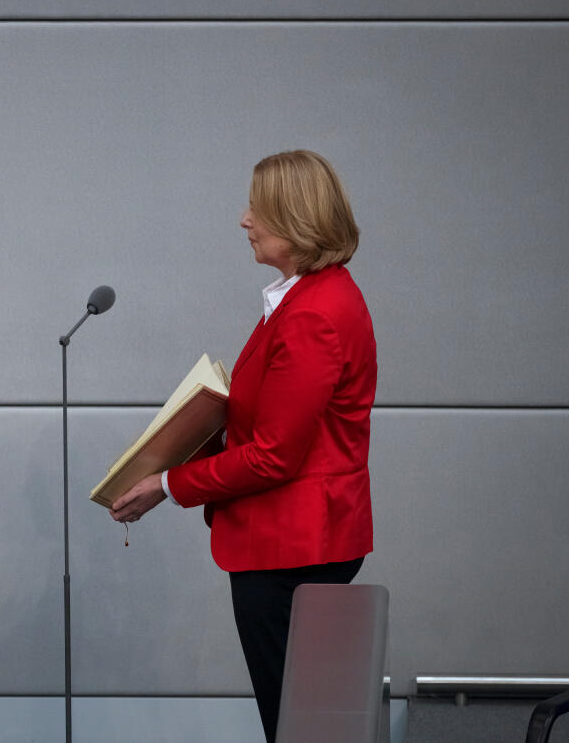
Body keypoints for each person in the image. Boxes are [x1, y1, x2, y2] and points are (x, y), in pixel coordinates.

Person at [110, 150, 377, 743]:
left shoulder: (313, 313)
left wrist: (167, 483)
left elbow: (275, 455)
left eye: (256, 207)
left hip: (293, 548)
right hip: (300, 540)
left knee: (297, 725)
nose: (244, 220)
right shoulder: (307, 297)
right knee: (302, 721)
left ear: (293, 216)